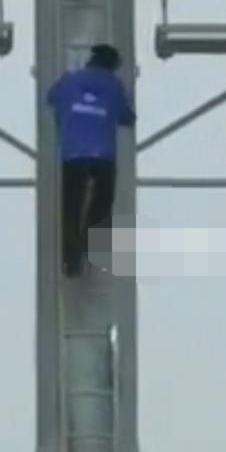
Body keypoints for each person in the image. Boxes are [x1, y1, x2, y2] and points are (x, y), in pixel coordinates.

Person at [46, 44, 135, 277]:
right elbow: (127, 117)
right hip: (102, 155)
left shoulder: (69, 80)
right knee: (102, 202)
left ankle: (70, 261)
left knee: (71, 207)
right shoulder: (114, 85)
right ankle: (92, 245)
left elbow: (51, 98)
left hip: (72, 154)